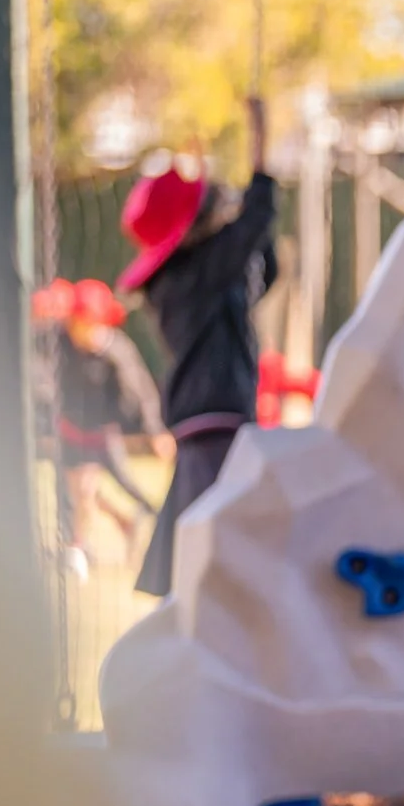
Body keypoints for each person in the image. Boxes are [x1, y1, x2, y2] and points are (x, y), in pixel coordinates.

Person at [119, 99, 278, 598]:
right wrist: (260, 144)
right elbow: (255, 219)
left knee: (202, 565)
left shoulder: (190, 282)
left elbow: (259, 266)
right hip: (215, 431)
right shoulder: (193, 280)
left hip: (209, 430)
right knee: (216, 568)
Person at [37, 277, 168, 573]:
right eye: (77, 322)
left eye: (90, 323)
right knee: (79, 491)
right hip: (70, 429)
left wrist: (155, 431)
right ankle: (77, 548)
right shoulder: (57, 338)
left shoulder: (114, 350)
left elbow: (143, 389)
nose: (82, 331)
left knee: (119, 485)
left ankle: (148, 520)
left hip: (102, 433)